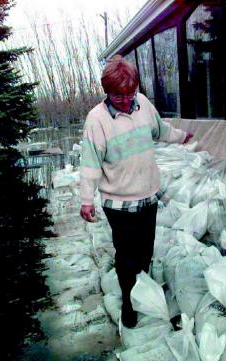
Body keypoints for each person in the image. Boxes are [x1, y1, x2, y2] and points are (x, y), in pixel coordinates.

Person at [79, 55, 193, 328]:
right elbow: (90, 162)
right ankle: (129, 305)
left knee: (145, 251)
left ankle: (144, 292)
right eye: (118, 95)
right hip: (118, 203)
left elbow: (160, 130)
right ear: (107, 92)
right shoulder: (97, 120)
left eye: (130, 92)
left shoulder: (142, 105)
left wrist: (181, 136)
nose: (125, 99)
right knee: (126, 255)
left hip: (147, 196)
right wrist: (86, 200)